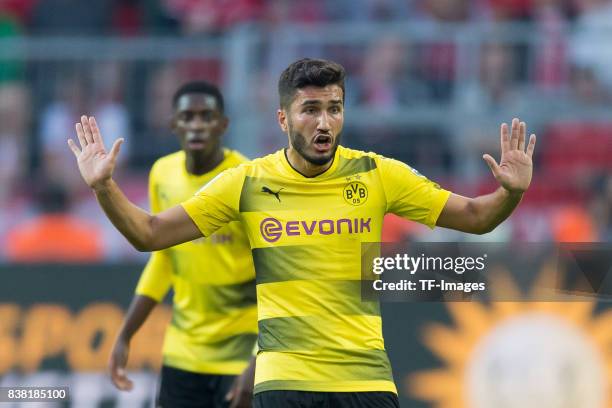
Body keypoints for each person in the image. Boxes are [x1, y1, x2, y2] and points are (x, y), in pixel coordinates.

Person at [68, 58, 537, 408]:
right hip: (285, 381)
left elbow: (476, 217)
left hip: (366, 380)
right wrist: (104, 186)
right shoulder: (248, 182)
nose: (324, 122)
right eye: (310, 109)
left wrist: (510, 194)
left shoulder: (377, 174)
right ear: (283, 119)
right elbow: (148, 234)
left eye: (334, 109)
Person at [107, 81, 257, 408]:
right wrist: (125, 333)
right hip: (183, 355)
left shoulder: (249, 179)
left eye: (207, 116)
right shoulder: (163, 174)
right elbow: (163, 260)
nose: (197, 125)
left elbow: (274, 275)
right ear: (173, 123)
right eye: (188, 116)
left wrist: (260, 361)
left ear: (223, 124)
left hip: (241, 356)